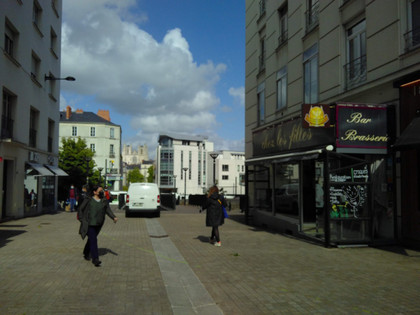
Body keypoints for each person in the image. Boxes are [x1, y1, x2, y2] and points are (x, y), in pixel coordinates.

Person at [77, 185, 118, 266]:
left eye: (102, 191)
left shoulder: (104, 200)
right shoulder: (88, 200)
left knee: (91, 239)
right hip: (89, 224)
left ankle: (86, 252)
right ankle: (95, 259)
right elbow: (80, 209)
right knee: (94, 240)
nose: (102, 192)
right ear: (94, 192)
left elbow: (108, 210)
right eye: (100, 191)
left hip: (98, 223)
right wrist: (82, 219)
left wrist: (113, 217)